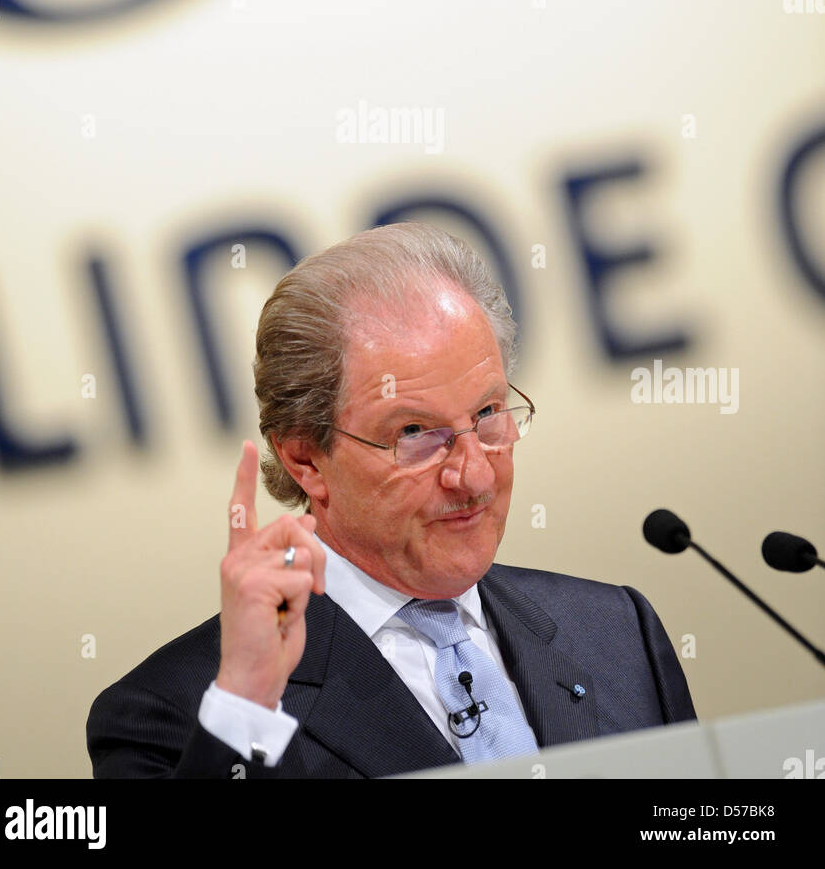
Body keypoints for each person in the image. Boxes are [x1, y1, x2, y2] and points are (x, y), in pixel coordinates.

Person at [87, 223, 695, 778]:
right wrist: (248, 699)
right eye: (414, 434)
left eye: (487, 414)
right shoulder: (178, 713)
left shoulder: (616, 632)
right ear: (306, 459)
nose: (474, 475)